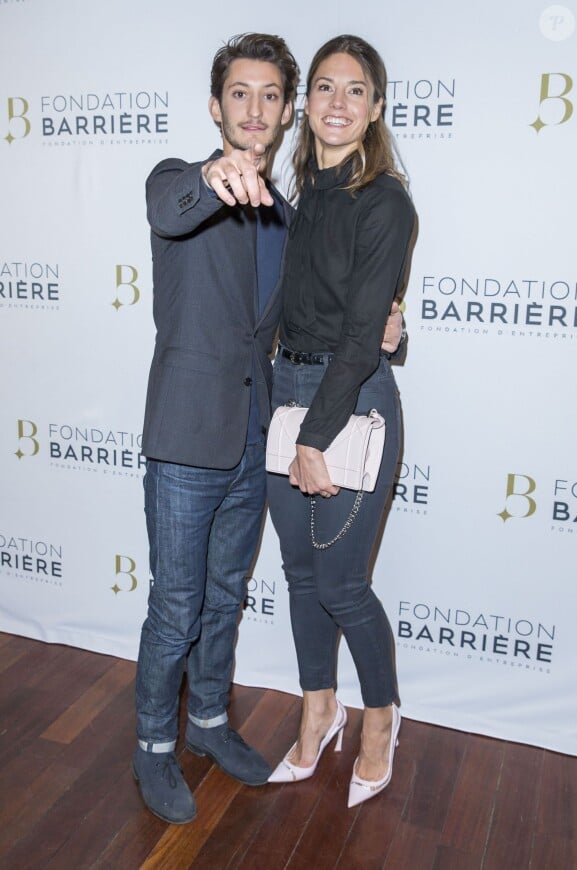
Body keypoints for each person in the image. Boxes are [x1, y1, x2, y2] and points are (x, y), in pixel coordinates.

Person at [133, 33, 405, 825]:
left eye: (270, 96)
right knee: (175, 605)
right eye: (239, 94)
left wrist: (388, 328)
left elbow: (324, 313)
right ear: (216, 107)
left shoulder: (291, 215)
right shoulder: (180, 181)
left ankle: (211, 724)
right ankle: (154, 743)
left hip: (261, 436)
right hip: (185, 438)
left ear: (287, 114)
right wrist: (214, 179)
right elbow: (169, 204)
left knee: (225, 596)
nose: (256, 109)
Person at [266, 35, 416, 808]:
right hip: (287, 393)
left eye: (355, 90)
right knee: (297, 577)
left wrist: (311, 438)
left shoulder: (385, 201)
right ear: (305, 106)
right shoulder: (298, 203)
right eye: (324, 86)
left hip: (346, 406)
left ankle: (381, 718)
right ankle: (318, 709)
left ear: (376, 107)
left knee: (341, 584)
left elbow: (362, 338)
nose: (336, 102)